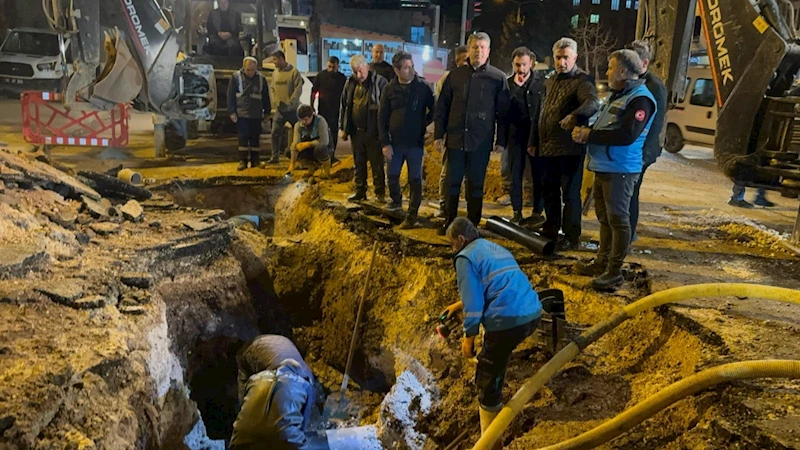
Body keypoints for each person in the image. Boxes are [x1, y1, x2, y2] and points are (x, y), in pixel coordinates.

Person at [440, 217, 542, 443]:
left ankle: (490, 439)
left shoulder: (465, 257)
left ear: (460, 239)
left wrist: (468, 339)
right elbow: (496, 285)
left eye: (452, 244)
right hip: (532, 313)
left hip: (508, 322)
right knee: (499, 354)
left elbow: (474, 305)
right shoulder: (495, 248)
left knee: (487, 377)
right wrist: (459, 305)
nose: (452, 249)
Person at [571, 49, 656, 290]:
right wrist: (586, 130)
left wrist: (589, 135)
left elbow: (627, 135)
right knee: (605, 219)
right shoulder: (618, 95)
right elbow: (605, 124)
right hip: (605, 165)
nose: (607, 72)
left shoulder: (640, 99)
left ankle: (614, 271)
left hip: (621, 169)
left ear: (623, 71)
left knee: (618, 220)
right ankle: (602, 262)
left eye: (610, 67)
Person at [434, 32, 509, 234]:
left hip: (480, 142)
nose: (479, 51)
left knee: (475, 185)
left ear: (488, 51)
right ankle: (449, 222)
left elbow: (503, 113)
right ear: (469, 49)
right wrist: (439, 135)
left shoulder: (497, 78)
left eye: (483, 47)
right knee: (452, 184)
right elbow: (442, 107)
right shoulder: (455, 76)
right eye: (475, 47)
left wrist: (501, 140)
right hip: (456, 140)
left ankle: (472, 224)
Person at [531, 37, 599, 251]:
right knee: (549, 192)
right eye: (558, 58)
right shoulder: (549, 81)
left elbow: (592, 103)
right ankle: (551, 229)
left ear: (575, 57)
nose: (562, 62)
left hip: (569, 150)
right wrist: (534, 141)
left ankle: (571, 235)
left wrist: (575, 115)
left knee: (570, 195)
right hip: (546, 148)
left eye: (566, 58)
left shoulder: (582, 81)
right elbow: (539, 113)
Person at [231, 335, 323, 449]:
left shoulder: (258, 376)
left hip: (263, 353)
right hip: (255, 351)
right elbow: (303, 419)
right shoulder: (306, 383)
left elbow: (248, 395)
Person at [378, 51, 435, 229]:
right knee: (392, 176)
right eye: (406, 68)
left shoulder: (422, 87)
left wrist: (427, 125)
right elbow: (382, 117)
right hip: (395, 144)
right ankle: (396, 202)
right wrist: (385, 143)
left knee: (415, 180)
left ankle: (412, 215)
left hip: (415, 144)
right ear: (396, 70)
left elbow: (434, 110)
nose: (411, 71)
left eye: (412, 67)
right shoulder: (389, 89)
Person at [625, 40, 668, 242]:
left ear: (644, 63)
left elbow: (655, 125)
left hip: (642, 151)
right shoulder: (633, 82)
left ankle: (628, 234)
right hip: (632, 149)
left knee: (630, 193)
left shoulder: (653, 87)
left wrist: (643, 154)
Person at [498, 47, 546, 225]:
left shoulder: (541, 84)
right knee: (515, 175)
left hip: (536, 136)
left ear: (531, 63)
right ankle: (517, 211)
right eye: (517, 65)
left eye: (524, 64)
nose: (521, 68)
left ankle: (537, 211)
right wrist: (501, 140)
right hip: (515, 136)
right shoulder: (507, 85)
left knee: (538, 175)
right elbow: (502, 114)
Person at [340, 54, 389, 202]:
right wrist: (344, 127)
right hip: (357, 131)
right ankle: (360, 191)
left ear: (367, 67)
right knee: (359, 163)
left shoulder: (379, 82)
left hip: (373, 132)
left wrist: (384, 131)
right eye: (355, 72)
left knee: (376, 164)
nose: (358, 75)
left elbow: (386, 107)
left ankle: (379, 193)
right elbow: (344, 105)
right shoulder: (350, 83)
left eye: (360, 71)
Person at [434, 45, 469, 218]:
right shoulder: (447, 80)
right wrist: (439, 134)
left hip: (470, 136)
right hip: (452, 134)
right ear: (457, 61)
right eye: (465, 60)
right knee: (448, 172)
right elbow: (441, 109)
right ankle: (444, 205)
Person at [228, 57, 271, 171]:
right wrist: (232, 111)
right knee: (243, 138)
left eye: (252, 70)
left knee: (255, 138)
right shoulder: (236, 77)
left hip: (256, 114)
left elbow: (265, 96)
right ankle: (243, 161)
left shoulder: (261, 79)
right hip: (242, 114)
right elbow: (231, 95)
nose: (250, 72)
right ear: (243, 67)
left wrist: (267, 112)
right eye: (248, 70)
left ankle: (255, 161)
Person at [269, 50, 305, 164]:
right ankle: (275, 157)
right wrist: (275, 101)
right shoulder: (275, 73)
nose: (274, 62)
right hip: (280, 110)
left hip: (293, 110)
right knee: (275, 133)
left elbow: (298, 89)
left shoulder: (294, 72)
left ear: (281, 58)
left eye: (275, 59)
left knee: (299, 133)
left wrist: (290, 103)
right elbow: (272, 88)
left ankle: (299, 158)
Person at [311, 56, 347, 160]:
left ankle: (332, 155)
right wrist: (311, 105)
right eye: (329, 67)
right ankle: (322, 155)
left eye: (333, 67)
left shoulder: (342, 78)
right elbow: (314, 91)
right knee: (322, 132)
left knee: (334, 133)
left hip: (336, 110)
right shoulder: (321, 75)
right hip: (323, 109)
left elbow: (346, 94)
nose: (331, 69)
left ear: (338, 66)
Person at [288, 104, 332, 179]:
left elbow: (325, 141)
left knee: (320, 149)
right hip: (311, 150)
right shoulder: (298, 125)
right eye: (301, 119)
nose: (303, 122)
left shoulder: (320, 121)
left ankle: (326, 170)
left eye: (306, 119)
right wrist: (292, 165)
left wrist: (307, 144)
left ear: (312, 116)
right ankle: (311, 166)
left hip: (325, 149)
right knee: (288, 151)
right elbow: (295, 145)